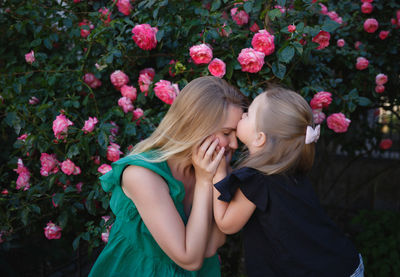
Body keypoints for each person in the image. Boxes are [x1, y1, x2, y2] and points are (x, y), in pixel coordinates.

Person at [89, 76, 246, 276]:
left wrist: (217, 177)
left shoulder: (213, 171)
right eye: (226, 133)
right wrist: (205, 182)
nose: (234, 144)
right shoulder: (142, 175)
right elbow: (190, 258)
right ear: (195, 127)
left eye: (236, 135)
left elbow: (211, 246)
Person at [211, 87, 363, 277]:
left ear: (260, 138)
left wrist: (217, 172)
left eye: (249, 114)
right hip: (343, 264)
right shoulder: (285, 170)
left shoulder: (256, 179)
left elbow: (226, 223)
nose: (242, 114)